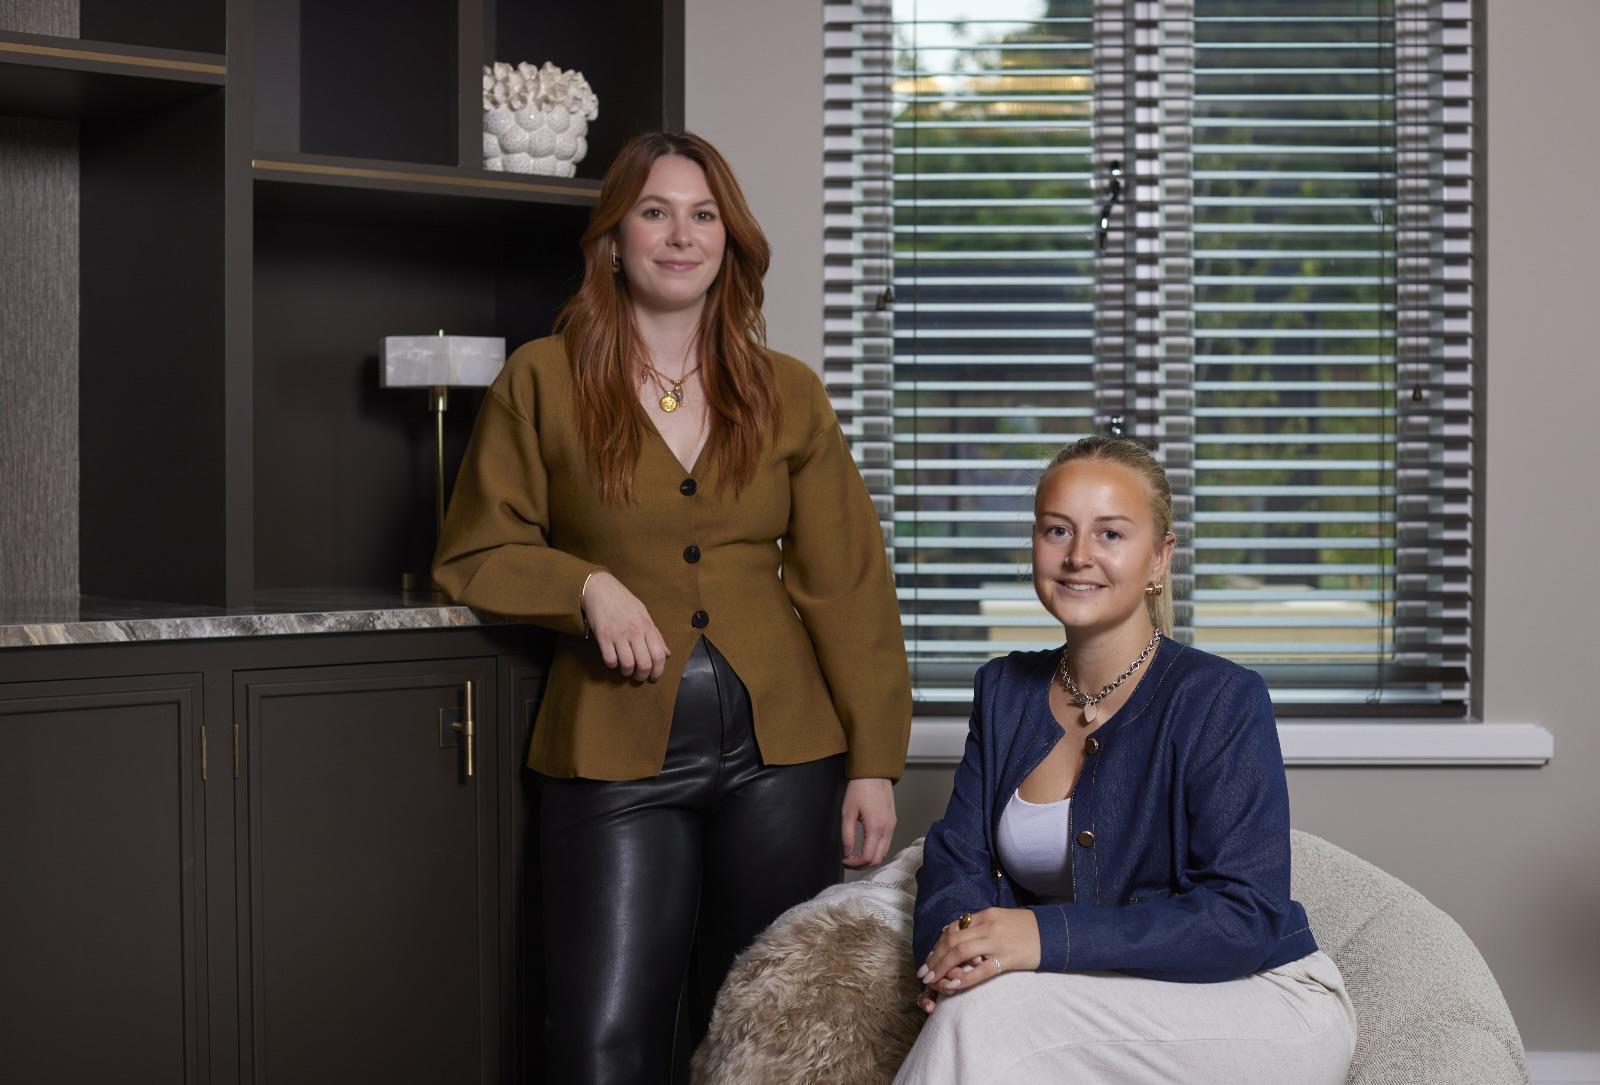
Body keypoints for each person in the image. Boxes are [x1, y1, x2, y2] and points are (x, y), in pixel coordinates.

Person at [431, 131, 912, 1084]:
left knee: (771, 1032)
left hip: (785, 758)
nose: (682, 235)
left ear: (729, 241)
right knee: (602, 1034)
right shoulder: (543, 377)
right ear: (614, 239)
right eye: (655, 212)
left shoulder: (787, 391)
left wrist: (873, 762)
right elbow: (475, 551)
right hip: (613, 751)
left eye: (704, 216)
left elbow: (849, 583)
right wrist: (585, 586)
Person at [896, 436, 1356, 1083]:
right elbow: (956, 861)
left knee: (987, 1016)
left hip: (1256, 1000)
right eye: (1057, 530)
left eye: (1110, 534)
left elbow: (1244, 915)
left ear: (1159, 558)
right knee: (980, 1005)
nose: (1078, 555)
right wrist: (958, 953)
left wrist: (1041, 936)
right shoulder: (1002, 690)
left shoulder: (1221, 697)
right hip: (1092, 997)